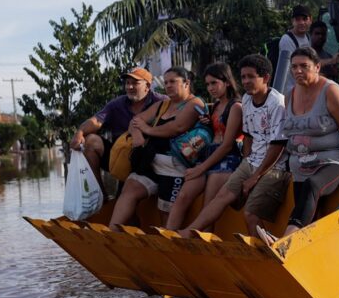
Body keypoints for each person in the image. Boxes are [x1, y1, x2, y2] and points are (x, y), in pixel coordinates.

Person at [178, 54, 290, 239]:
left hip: (274, 167)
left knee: (250, 213)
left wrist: (255, 177)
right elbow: (247, 137)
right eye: (243, 77)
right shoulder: (247, 99)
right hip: (251, 161)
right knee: (221, 198)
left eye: (251, 77)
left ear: (266, 78)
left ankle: (261, 253)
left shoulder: (277, 104)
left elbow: (277, 147)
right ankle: (189, 233)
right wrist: (245, 164)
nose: (245, 81)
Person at [258, 47, 339, 243]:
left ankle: (284, 242)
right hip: (300, 165)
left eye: (304, 66)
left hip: (330, 161)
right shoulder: (289, 96)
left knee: (311, 186)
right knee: (307, 214)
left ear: (317, 67)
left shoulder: (330, 91)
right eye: (294, 67)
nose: (298, 71)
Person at [108, 67, 205, 230]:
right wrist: (138, 137)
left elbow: (177, 127)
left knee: (166, 215)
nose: (168, 85)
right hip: (152, 163)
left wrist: (147, 130)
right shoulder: (163, 105)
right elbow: (135, 121)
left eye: (173, 81)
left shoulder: (195, 103)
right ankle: (111, 233)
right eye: (166, 82)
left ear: (186, 83)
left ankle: (168, 247)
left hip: (176, 168)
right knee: (129, 189)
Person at [165, 63, 243, 231]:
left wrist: (200, 169)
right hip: (208, 156)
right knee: (184, 196)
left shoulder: (235, 106)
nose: (210, 88)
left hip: (226, 160)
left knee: (207, 209)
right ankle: (168, 237)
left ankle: (202, 248)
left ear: (227, 82)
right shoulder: (215, 106)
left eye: (214, 83)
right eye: (207, 84)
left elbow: (227, 145)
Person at [69, 67, 166, 192]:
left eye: (135, 83)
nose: (129, 87)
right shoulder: (117, 104)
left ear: (147, 85)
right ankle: (101, 196)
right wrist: (79, 132)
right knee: (91, 141)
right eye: (127, 83)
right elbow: (97, 121)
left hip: (150, 159)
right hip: (120, 157)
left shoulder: (162, 101)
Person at [278, 5, 313, 93]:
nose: (301, 22)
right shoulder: (287, 40)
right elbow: (291, 68)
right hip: (289, 91)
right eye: (297, 19)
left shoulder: (308, 37)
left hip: (303, 88)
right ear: (292, 21)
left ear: (310, 20)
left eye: (305, 19)